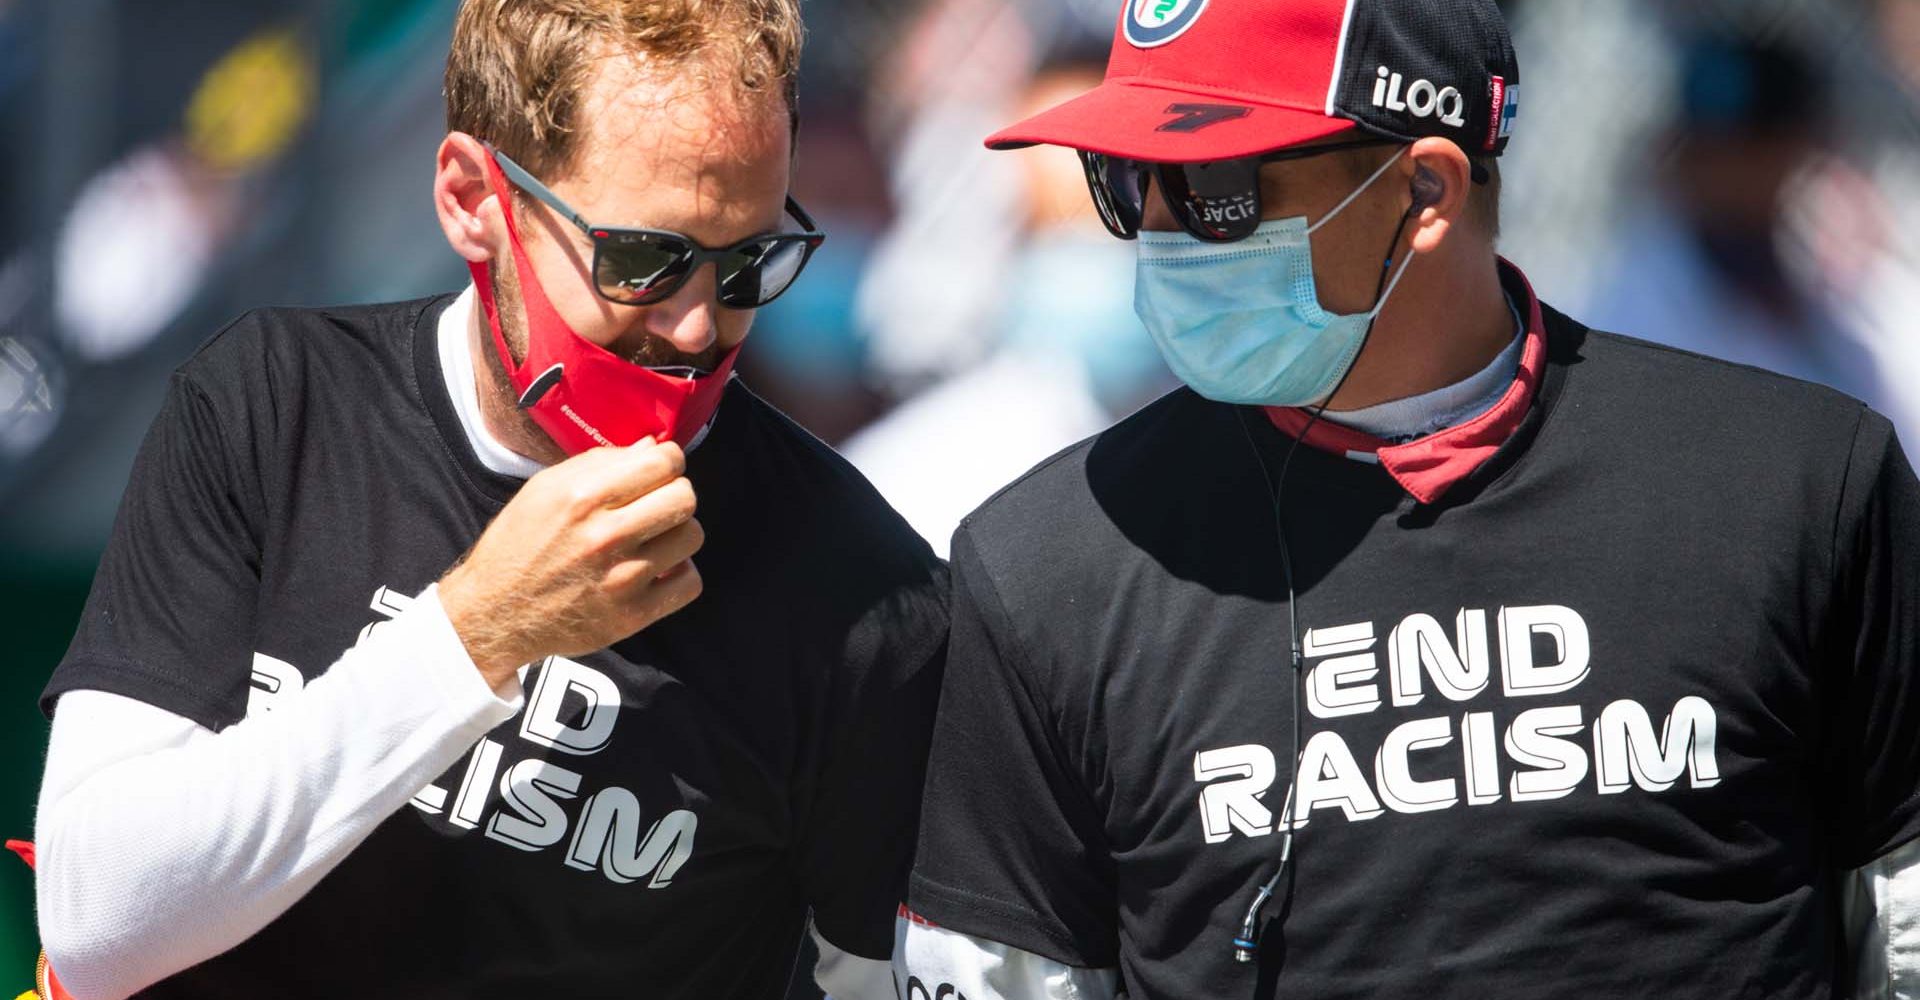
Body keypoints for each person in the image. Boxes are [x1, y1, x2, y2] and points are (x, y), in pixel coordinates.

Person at [893, 0, 1919, 998]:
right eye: (1125, 181)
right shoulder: (1045, 565)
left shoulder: (1800, 485)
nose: (1154, 233)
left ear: (1426, 191)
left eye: (1214, 189)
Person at [31, 1, 946, 997]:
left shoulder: (860, 588)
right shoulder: (275, 404)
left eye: (747, 264)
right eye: (644, 259)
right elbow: (96, 918)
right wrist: (475, 630)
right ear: (474, 200)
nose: (698, 330)